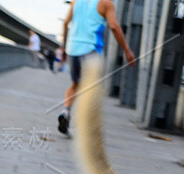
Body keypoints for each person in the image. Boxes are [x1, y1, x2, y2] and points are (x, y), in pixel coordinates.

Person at [58, 0, 136, 135]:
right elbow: (114, 27)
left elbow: (65, 23)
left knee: (75, 85)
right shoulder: (106, 3)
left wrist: (64, 47)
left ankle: (66, 111)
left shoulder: (76, 2)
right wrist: (127, 50)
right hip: (91, 49)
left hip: (73, 48)